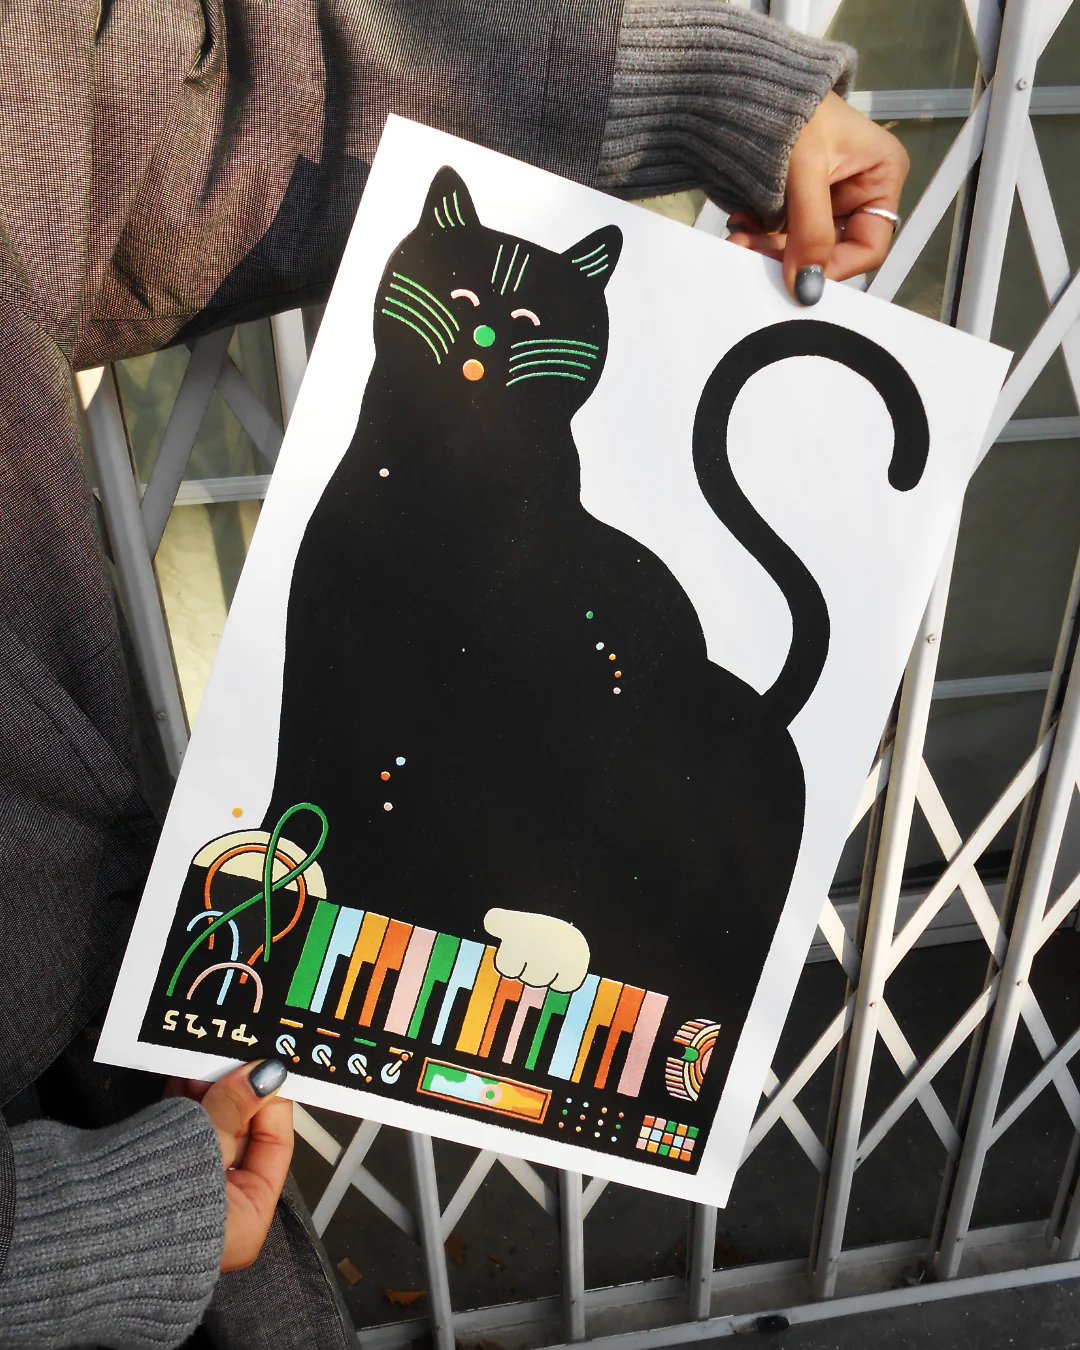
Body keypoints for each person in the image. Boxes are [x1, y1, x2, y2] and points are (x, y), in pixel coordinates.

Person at [0, 1, 908, 1345]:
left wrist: (716, 97)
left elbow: (227, 108)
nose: (483, 341)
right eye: (465, 311)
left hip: (128, 1105)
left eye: (519, 325)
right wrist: (86, 1230)